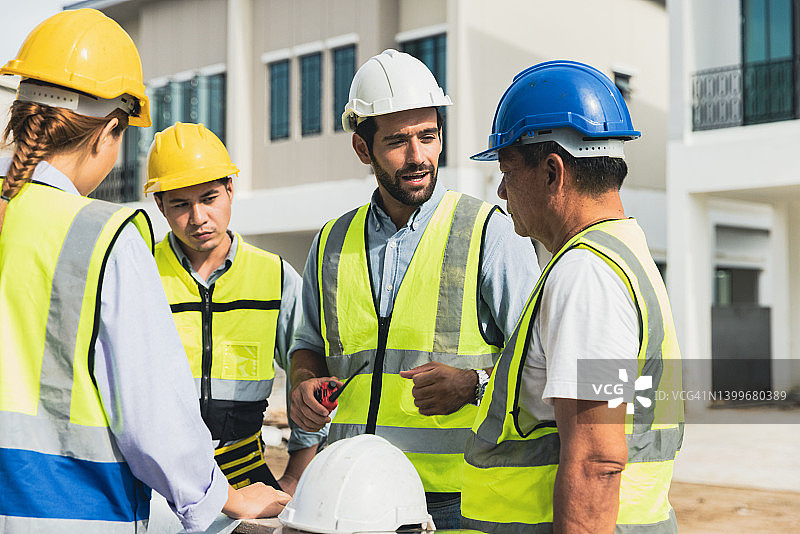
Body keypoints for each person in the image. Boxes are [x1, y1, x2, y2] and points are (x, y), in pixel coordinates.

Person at [0, 9, 289, 533]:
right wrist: (217, 496)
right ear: (110, 129)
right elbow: (151, 414)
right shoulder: (103, 234)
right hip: (72, 513)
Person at [288, 49, 540, 529]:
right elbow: (308, 345)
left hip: (453, 501)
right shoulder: (329, 244)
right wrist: (302, 384)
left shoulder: (488, 232)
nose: (418, 156)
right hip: (349, 497)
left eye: (428, 136)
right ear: (364, 150)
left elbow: (539, 361)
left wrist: (472, 386)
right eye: (398, 142)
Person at [460, 60, 684, 533]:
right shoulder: (620, 252)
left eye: (506, 171)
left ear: (552, 173)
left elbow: (596, 463)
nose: (500, 190)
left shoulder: (586, 275)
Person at [145, 121, 325, 495]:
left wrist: (293, 479)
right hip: (156, 482)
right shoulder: (139, 272)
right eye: (180, 204)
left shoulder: (275, 277)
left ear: (230, 189)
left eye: (209, 198)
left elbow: (309, 380)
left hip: (243, 476)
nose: (197, 218)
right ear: (160, 205)